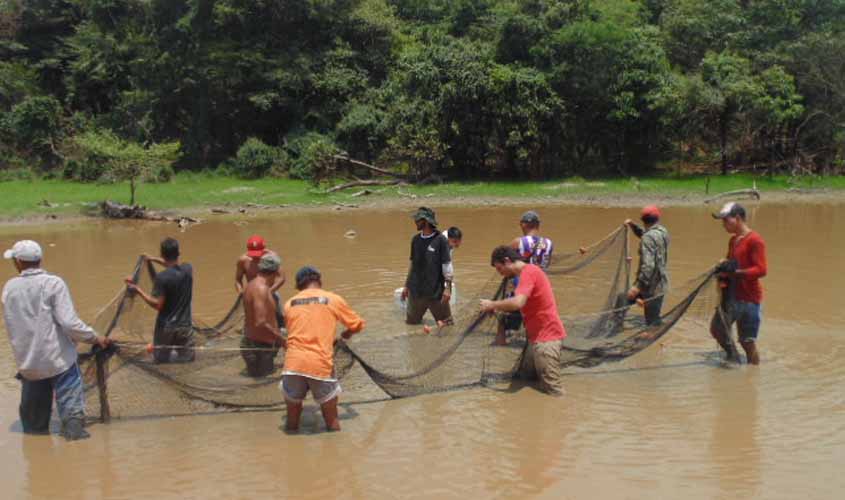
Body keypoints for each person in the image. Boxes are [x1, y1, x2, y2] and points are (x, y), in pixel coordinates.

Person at [2, 240, 110, 440]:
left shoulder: (9, 288)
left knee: (34, 431)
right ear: (40, 260)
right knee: (73, 427)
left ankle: (39, 456)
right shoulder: (53, 283)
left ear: (18, 262)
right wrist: (95, 337)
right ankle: (74, 443)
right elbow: (69, 323)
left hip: (29, 366)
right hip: (59, 362)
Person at [281, 266, 365, 432]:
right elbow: (357, 324)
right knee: (332, 422)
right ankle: (333, 447)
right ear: (319, 281)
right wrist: (346, 334)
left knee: (291, 423)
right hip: (320, 365)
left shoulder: (289, 303)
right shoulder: (333, 299)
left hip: (293, 365)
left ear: (299, 285)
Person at [480, 246, 566, 396]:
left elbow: (518, 303)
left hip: (547, 340)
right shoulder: (525, 274)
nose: (500, 273)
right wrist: (497, 308)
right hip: (535, 340)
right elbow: (521, 305)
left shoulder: (529, 272)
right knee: (524, 379)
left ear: (507, 261)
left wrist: (492, 304)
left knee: (554, 392)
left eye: (499, 268)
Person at [709, 202, 767, 365]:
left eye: (726, 220)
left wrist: (736, 273)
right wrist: (723, 265)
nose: (723, 224)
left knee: (747, 342)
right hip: (732, 296)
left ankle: (753, 371)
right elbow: (731, 262)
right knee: (717, 329)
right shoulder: (733, 240)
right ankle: (733, 356)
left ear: (738, 218)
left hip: (749, 299)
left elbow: (761, 270)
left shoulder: (755, 240)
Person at [126, 237, 194, 363]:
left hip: (166, 328)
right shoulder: (188, 269)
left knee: (161, 361)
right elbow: (171, 265)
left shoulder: (162, 278)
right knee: (187, 360)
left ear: (162, 255)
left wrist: (138, 290)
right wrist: (152, 259)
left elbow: (158, 305)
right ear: (179, 253)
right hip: (185, 326)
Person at [494, 211, 554, 344]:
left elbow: (501, 257)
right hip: (539, 290)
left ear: (523, 224)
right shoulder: (549, 243)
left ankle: (501, 346)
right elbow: (546, 264)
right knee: (533, 326)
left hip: (520, 288)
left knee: (505, 324)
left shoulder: (518, 242)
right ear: (538, 225)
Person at [401, 207, 454, 326]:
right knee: (411, 324)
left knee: (447, 325)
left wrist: (448, 289)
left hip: (435, 293)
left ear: (426, 221)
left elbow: (447, 266)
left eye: (418, 219)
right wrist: (406, 286)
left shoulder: (441, 240)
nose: (415, 221)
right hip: (416, 292)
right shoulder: (415, 240)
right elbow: (413, 264)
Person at [623, 205, 670, 326]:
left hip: (650, 287)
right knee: (622, 299)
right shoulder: (663, 232)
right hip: (660, 284)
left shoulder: (648, 238)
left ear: (643, 220)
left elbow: (648, 266)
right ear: (657, 218)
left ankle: (653, 336)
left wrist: (637, 287)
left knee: (652, 323)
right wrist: (633, 226)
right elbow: (646, 235)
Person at [241, 252, 285, 377]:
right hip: (259, 348)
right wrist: (281, 339)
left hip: (255, 344)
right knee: (263, 383)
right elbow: (260, 322)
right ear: (276, 271)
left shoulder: (251, 285)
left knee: (257, 380)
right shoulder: (261, 289)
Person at [235, 234, 285, 326]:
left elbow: (281, 278)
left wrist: (269, 292)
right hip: (251, 295)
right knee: (253, 322)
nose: (255, 256)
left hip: (271, 292)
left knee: (279, 320)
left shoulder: (272, 258)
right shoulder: (242, 260)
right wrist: (241, 294)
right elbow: (238, 280)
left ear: (264, 248)